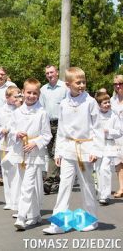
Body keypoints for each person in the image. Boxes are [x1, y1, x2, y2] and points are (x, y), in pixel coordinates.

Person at [43, 67, 102, 234]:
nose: (82, 85)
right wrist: (59, 152)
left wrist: (95, 150)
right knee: (64, 185)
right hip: (68, 148)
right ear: (68, 84)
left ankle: (91, 219)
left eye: (83, 81)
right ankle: (59, 223)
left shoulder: (90, 102)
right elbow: (61, 129)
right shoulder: (63, 103)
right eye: (78, 82)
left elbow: (97, 127)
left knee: (87, 185)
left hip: (85, 147)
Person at [5, 78, 51, 231]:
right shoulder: (17, 112)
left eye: (35, 93)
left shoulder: (42, 113)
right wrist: (16, 134)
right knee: (25, 184)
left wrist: (35, 142)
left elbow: (47, 135)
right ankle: (35, 214)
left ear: (38, 94)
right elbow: (11, 130)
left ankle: (21, 216)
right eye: (28, 92)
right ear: (23, 93)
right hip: (20, 152)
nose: (31, 96)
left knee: (28, 185)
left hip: (34, 152)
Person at [0, 86, 21, 211]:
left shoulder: (21, 109)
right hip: (6, 143)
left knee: (17, 173)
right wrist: (0, 130)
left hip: (17, 143)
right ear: (7, 97)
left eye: (19, 96)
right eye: (15, 96)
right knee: (6, 172)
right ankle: (9, 200)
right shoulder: (1, 111)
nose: (17, 99)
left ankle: (17, 200)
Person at [39, 65, 68, 183]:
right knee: (51, 152)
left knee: (57, 150)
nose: (49, 75)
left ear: (57, 73)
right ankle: (56, 178)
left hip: (62, 123)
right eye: (47, 73)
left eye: (51, 72)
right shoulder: (43, 89)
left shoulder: (65, 87)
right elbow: (41, 108)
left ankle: (49, 180)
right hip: (48, 124)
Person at [94, 92, 122, 205]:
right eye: (104, 103)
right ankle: (99, 192)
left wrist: (108, 131)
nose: (107, 104)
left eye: (108, 102)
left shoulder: (114, 116)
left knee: (105, 169)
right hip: (97, 145)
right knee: (97, 169)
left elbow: (120, 131)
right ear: (99, 104)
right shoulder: (95, 115)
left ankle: (105, 195)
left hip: (109, 145)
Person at [110, 75, 123, 198]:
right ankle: (121, 187)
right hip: (116, 136)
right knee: (118, 164)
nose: (118, 86)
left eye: (120, 83)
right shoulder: (112, 101)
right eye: (115, 84)